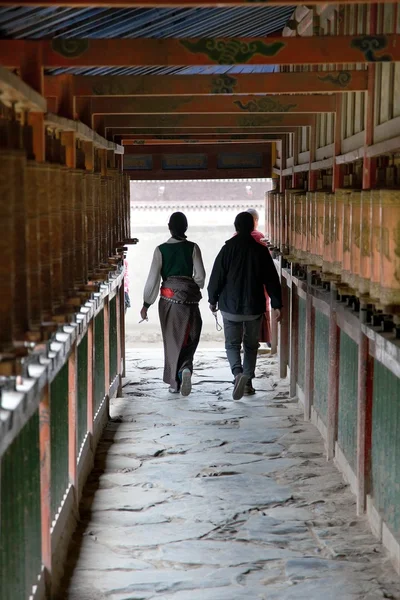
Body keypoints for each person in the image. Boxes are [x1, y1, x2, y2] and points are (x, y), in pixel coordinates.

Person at [208, 212, 282, 401]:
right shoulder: (260, 250)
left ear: (236, 226)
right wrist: (277, 303)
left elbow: (216, 277)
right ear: (252, 227)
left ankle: (237, 374)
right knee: (250, 345)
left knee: (232, 344)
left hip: (230, 307)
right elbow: (272, 279)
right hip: (253, 307)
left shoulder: (227, 249)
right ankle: (247, 382)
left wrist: (212, 299)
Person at [140, 212, 205, 397]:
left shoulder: (160, 250)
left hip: (169, 302)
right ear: (186, 227)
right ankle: (185, 369)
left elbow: (152, 280)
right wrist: (190, 285)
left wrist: (146, 304)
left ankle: (175, 383)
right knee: (190, 338)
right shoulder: (193, 248)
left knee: (172, 341)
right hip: (190, 301)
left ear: (169, 227)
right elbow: (200, 278)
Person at [246, 208, 272, 348]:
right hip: (258, 283)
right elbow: (267, 262)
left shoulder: (233, 238)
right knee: (262, 308)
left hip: (239, 286)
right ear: (255, 221)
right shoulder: (259, 237)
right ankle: (266, 338)